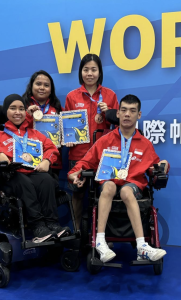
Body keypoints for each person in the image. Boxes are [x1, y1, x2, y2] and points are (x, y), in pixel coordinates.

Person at [68, 95, 170, 263]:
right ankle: (100, 242)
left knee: (126, 191)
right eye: (123, 110)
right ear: (117, 114)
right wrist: (73, 173)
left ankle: (142, 247)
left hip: (132, 186)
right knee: (109, 187)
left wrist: (164, 165)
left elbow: (154, 167)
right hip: (109, 184)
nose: (127, 114)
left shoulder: (145, 143)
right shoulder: (105, 140)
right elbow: (86, 161)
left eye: (132, 111)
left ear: (139, 115)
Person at [0, 94, 70, 242]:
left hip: (32, 172)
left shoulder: (34, 134)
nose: (18, 112)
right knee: (23, 181)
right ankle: (38, 226)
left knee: (47, 180)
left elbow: (51, 149)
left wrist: (47, 161)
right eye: (13, 108)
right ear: (6, 112)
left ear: (26, 112)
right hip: (9, 176)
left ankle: (52, 224)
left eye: (21, 109)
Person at [65, 53, 119, 230]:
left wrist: (109, 111)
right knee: (78, 194)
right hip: (78, 154)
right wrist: (68, 139)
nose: (89, 73)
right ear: (81, 72)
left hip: (104, 156)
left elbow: (119, 124)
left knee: (104, 195)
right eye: (86, 69)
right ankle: (77, 231)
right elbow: (66, 125)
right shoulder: (72, 96)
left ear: (99, 72)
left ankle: (101, 235)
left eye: (93, 69)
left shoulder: (109, 95)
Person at [22, 70, 63, 176]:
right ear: (31, 86)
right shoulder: (22, 106)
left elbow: (66, 132)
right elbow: (15, 131)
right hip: (27, 158)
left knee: (50, 189)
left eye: (46, 85)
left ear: (51, 89)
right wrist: (27, 115)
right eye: (38, 84)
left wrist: (67, 139)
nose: (42, 88)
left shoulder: (58, 108)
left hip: (51, 161)